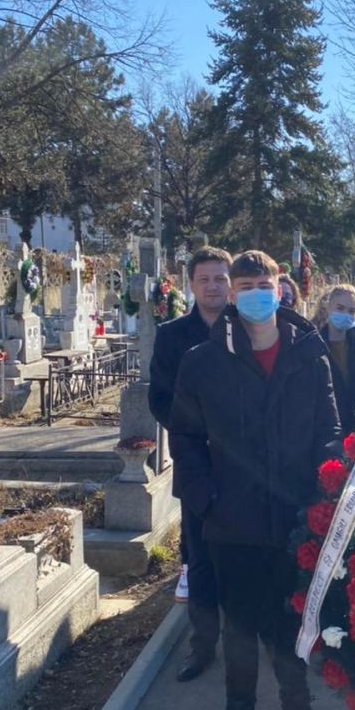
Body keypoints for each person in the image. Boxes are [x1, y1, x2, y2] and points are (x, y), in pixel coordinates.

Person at [171, 250, 342, 710]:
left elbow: (328, 430)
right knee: (240, 624)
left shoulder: (308, 355)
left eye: (262, 285)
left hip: (295, 516)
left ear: (280, 287)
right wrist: (206, 499)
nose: (254, 295)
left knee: (291, 622)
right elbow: (186, 436)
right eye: (244, 286)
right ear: (232, 293)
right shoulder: (203, 360)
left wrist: (325, 494)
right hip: (233, 518)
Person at [148, 246, 232, 682]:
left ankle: (249, 640)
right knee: (200, 559)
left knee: (245, 556)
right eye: (204, 279)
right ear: (191, 284)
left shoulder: (249, 327)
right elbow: (160, 397)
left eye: (220, 278)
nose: (212, 287)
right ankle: (202, 647)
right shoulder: (173, 335)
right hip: (196, 461)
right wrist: (196, 433)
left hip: (244, 466)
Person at [316, 283, 355, 433]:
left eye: (351, 311)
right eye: (340, 308)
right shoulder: (314, 349)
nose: (345, 314)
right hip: (324, 432)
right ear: (327, 307)